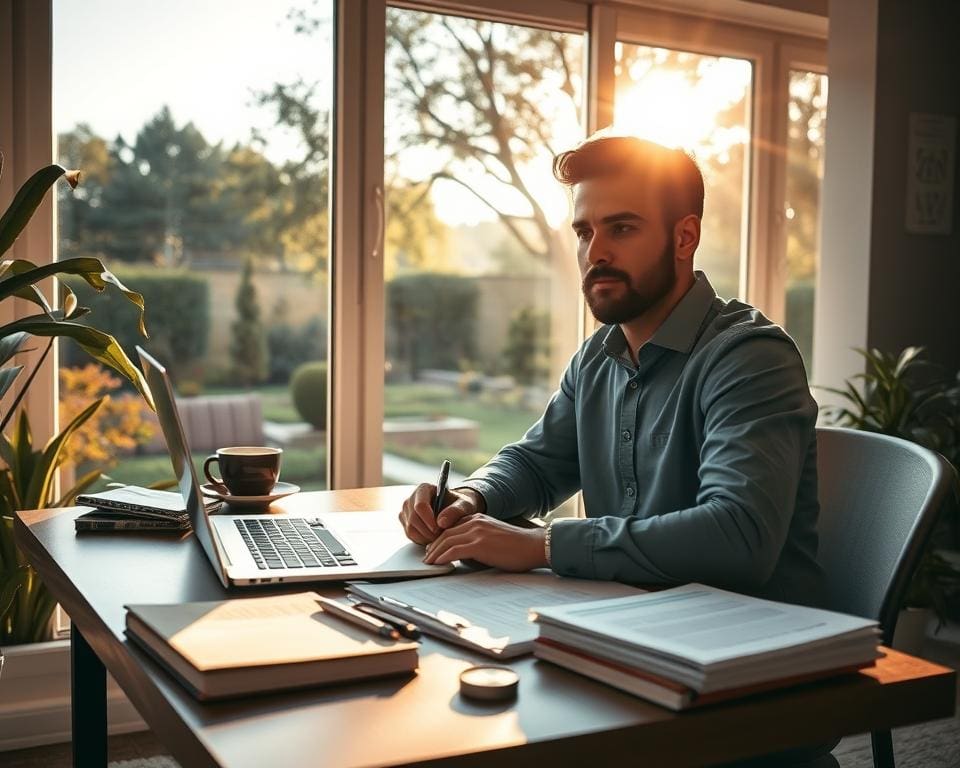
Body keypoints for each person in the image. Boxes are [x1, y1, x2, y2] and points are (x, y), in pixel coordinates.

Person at [399, 134, 824, 607]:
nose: (595, 252)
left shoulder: (751, 357)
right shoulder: (596, 357)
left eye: (621, 228)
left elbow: (737, 535)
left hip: (751, 634)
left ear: (685, 238)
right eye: (584, 232)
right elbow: (538, 464)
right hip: (624, 618)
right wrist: (471, 496)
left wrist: (544, 546)